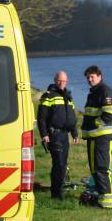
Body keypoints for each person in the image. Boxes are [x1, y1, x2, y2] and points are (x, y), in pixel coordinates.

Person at [37, 71, 79, 200]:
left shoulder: (67, 96)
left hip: (65, 135)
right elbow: (41, 118)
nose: (62, 83)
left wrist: (75, 133)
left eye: (64, 80)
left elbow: (71, 117)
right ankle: (56, 195)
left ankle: (58, 191)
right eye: (60, 80)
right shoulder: (48, 96)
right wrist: (44, 134)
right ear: (55, 80)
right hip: (53, 134)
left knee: (63, 164)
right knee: (59, 163)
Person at [81, 65, 112, 209]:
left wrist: (94, 124)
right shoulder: (93, 92)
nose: (90, 80)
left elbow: (109, 114)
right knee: (95, 170)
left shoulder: (105, 91)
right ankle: (101, 199)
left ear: (99, 76)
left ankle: (107, 203)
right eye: (88, 77)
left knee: (102, 169)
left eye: (92, 77)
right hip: (93, 137)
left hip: (103, 138)